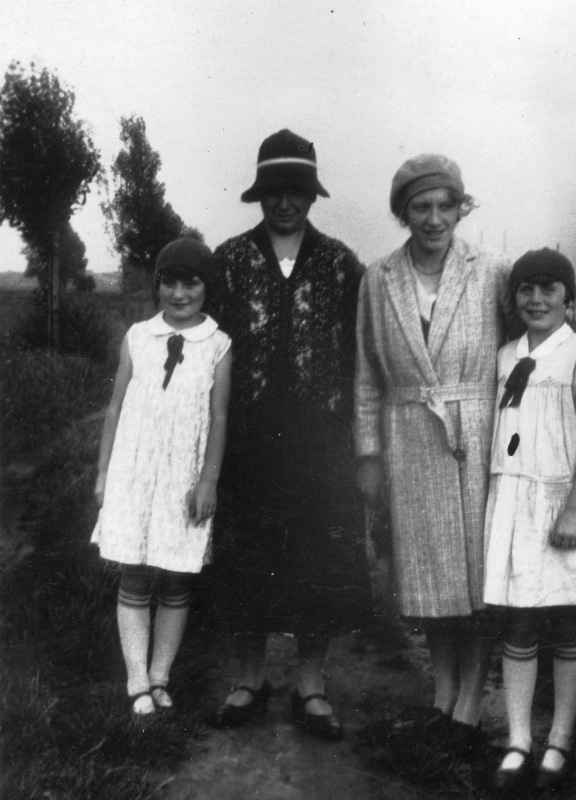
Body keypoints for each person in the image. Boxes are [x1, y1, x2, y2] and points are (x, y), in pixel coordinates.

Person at [354, 155, 576, 753]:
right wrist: (368, 451)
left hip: (479, 439)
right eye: (421, 207)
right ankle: (441, 692)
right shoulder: (379, 279)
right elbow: (367, 373)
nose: (435, 219)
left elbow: (538, 339)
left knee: (476, 579)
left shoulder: (492, 269)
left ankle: (470, 701)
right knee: (428, 580)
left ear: (461, 207)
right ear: (404, 213)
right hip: (408, 435)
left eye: (447, 205)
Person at [207, 129, 369, 740]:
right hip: (246, 439)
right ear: (259, 195)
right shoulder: (228, 260)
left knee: (316, 560)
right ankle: (248, 679)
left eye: (296, 190)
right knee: (247, 557)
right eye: (274, 190)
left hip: (317, 441)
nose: (284, 203)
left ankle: (311, 686)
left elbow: (365, 352)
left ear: (311, 195)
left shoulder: (338, 264)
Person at [484, 248, 576, 793]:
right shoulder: (505, 355)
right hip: (515, 500)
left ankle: (559, 736)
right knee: (519, 619)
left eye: (549, 289)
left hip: (563, 502)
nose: (536, 299)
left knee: (568, 620)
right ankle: (518, 738)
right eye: (526, 290)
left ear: (568, 298)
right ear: (515, 300)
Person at [92, 238, 232, 719]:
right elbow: (114, 408)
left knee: (176, 575)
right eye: (169, 282)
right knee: (134, 570)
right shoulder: (137, 337)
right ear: (158, 286)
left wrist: (208, 481)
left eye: (190, 283)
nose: (179, 294)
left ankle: (160, 675)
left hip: (183, 477)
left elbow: (218, 417)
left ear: (205, 288)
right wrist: (103, 473)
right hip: (134, 471)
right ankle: (135, 679)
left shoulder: (217, 344)